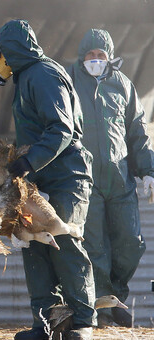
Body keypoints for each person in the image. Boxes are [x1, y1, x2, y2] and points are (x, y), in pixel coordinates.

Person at [0, 20, 96, 340]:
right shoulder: (26, 77)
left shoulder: (43, 74)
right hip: (40, 179)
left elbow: (61, 129)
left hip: (66, 175)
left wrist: (28, 162)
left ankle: (82, 323)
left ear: (10, 50)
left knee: (65, 242)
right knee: (32, 241)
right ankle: (48, 322)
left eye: (0, 52)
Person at [66, 28, 151, 328]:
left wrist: (149, 171)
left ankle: (115, 296)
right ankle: (103, 309)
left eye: (101, 55)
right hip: (85, 181)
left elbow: (137, 133)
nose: (95, 60)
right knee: (95, 247)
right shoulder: (71, 82)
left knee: (131, 243)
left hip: (120, 179)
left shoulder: (123, 86)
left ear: (110, 57)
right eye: (90, 55)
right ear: (81, 57)